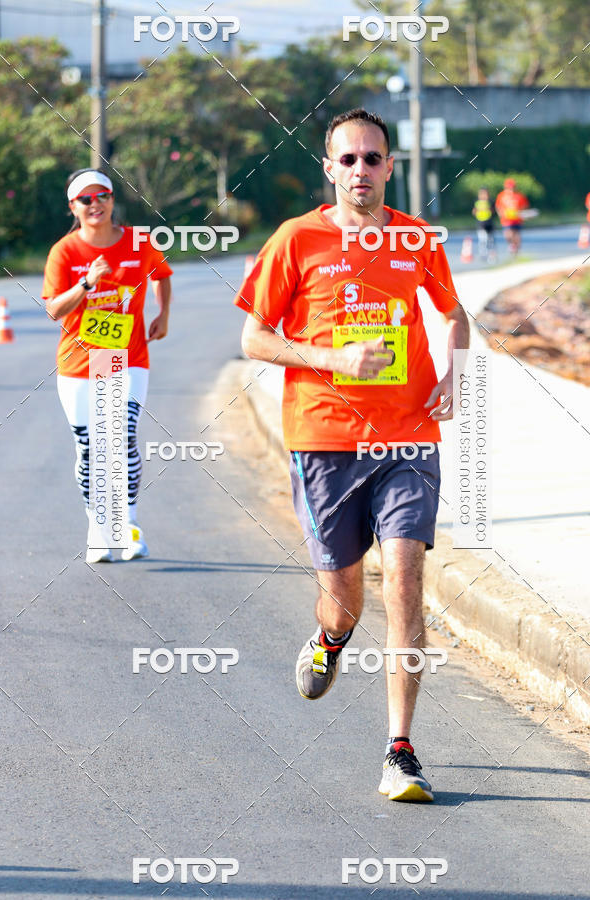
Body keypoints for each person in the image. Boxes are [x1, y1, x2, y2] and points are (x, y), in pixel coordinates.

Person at [235, 108, 469, 803]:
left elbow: (454, 313)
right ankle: (331, 638)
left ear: (390, 167)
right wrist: (329, 355)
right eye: (349, 160)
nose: (361, 170)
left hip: (406, 437)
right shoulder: (296, 239)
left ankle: (400, 750)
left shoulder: (418, 238)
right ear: (330, 169)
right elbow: (253, 337)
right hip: (325, 439)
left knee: (404, 581)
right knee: (345, 600)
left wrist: (455, 375)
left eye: (374, 159)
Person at [43, 168, 173, 563]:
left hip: (127, 358)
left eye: (102, 196)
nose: (95, 204)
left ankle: (128, 527)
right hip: (79, 362)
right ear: (74, 208)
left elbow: (161, 274)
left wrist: (162, 313)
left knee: (122, 437)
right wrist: (86, 285)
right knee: (90, 448)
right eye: (86, 199)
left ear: (113, 200)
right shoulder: (64, 252)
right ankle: (98, 529)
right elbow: (52, 309)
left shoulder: (137, 241)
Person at [495, 177, 529, 255]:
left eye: (512, 187)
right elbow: (498, 206)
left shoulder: (519, 196)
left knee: (516, 234)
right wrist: (500, 213)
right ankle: (511, 245)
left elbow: (524, 206)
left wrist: (522, 213)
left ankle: (517, 248)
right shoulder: (501, 196)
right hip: (506, 219)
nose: (511, 189)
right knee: (508, 234)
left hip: (517, 219)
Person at [472, 187, 496, 261]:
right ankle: (483, 254)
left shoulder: (491, 201)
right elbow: (474, 211)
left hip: (489, 223)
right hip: (481, 223)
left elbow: (493, 211)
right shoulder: (477, 201)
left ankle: (491, 255)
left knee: (490, 240)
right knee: (483, 239)